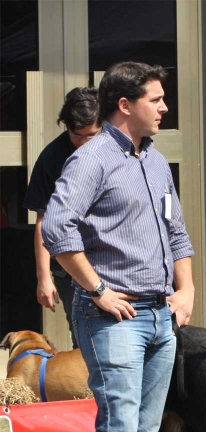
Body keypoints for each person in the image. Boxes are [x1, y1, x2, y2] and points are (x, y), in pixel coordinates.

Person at [42, 61, 195, 432]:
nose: (165, 108)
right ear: (125, 105)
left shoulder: (153, 161)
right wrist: (99, 290)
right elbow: (57, 230)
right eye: (156, 99)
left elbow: (177, 234)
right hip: (115, 318)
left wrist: (187, 287)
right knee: (117, 431)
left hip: (159, 313)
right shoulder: (93, 159)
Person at [23, 87, 100, 348]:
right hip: (72, 268)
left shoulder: (119, 148)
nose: (83, 142)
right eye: (77, 136)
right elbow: (44, 222)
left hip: (116, 262)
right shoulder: (53, 157)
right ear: (65, 126)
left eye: (91, 135)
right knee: (84, 344)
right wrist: (44, 277)